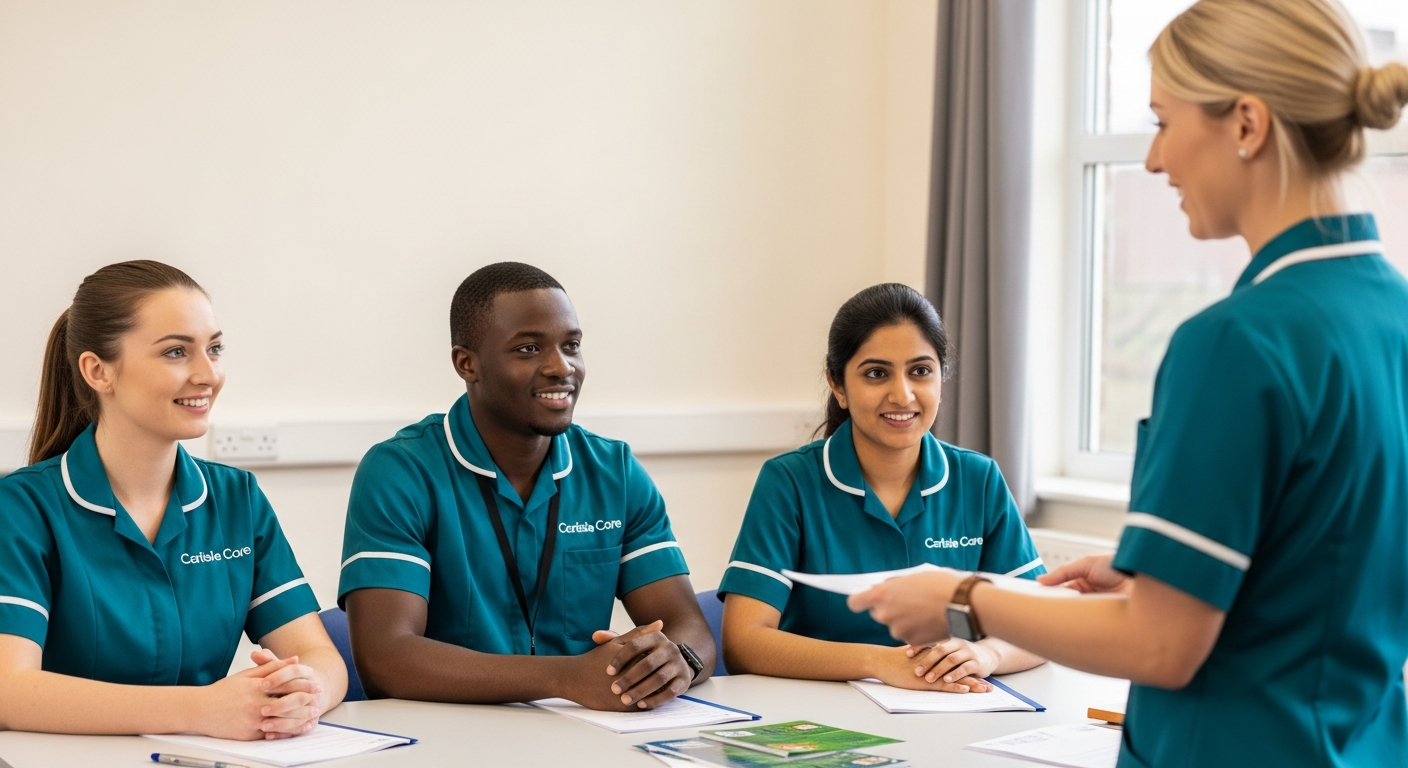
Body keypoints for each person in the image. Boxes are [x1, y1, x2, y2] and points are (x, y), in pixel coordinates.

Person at [848, 1, 1408, 765]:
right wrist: (1172, 571)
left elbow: (1162, 644)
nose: (1154, 161)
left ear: (1247, 124)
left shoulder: (1238, 341)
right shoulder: (1392, 316)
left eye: (1162, 122)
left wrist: (959, 597)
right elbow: (1342, 558)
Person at [339, 261, 716, 710]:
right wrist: (568, 677)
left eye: (571, 345)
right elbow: (385, 657)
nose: (562, 368)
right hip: (450, 738)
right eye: (529, 349)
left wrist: (677, 661)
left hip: (583, 735)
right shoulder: (400, 471)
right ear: (467, 364)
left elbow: (686, 624)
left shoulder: (614, 469)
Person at [0, 261, 347, 740]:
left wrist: (307, 695)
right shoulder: (20, 508)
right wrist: (200, 710)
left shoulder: (236, 498)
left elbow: (321, 656)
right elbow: (9, 689)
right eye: (177, 352)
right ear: (98, 371)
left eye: (215, 348)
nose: (208, 374)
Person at [719, 283, 1044, 691]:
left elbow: (1041, 621)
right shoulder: (789, 482)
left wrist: (986, 654)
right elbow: (743, 642)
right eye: (876, 373)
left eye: (920, 371)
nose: (902, 394)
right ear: (838, 385)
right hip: (823, 724)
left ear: (942, 377)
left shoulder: (978, 479)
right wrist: (878, 663)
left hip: (954, 714)